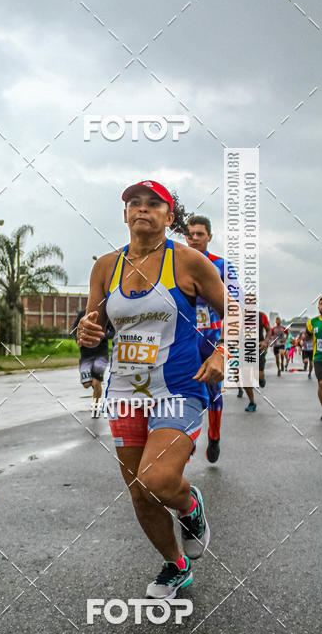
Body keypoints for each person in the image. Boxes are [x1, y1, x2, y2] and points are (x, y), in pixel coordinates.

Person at [78, 180, 230, 600]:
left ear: (169, 216)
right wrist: (85, 330)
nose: (142, 209)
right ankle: (175, 564)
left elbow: (236, 314)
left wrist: (220, 355)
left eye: (153, 204)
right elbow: (92, 326)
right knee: (140, 493)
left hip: (179, 387)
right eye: (134, 203)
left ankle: (189, 506)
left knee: (158, 477)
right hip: (126, 392)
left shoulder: (188, 261)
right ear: (125, 214)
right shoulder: (106, 266)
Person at [185, 215, 226, 463]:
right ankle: (186, 440)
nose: (195, 238)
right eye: (190, 234)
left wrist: (224, 347)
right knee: (183, 392)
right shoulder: (174, 265)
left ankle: (214, 437)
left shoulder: (222, 266)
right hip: (184, 340)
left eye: (200, 234)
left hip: (211, 341)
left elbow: (236, 306)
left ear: (209, 236)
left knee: (213, 393)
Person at [72, 309, 113, 411]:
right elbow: (74, 330)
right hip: (86, 355)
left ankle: (96, 404)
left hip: (101, 355)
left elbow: (113, 332)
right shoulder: (82, 314)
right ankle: (97, 389)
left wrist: (101, 335)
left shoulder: (106, 315)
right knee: (87, 384)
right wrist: (77, 338)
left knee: (96, 382)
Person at [306, 297, 322, 421]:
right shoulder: (312, 322)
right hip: (319, 358)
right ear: (318, 307)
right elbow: (308, 336)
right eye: (321, 303)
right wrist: (299, 341)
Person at [242, 311, 271, 412]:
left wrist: (265, 341)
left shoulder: (261, 315)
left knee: (257, 376)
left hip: (259, 348)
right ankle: (252, 402)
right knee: (245, 377)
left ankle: (261, 379)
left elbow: (268, 330)